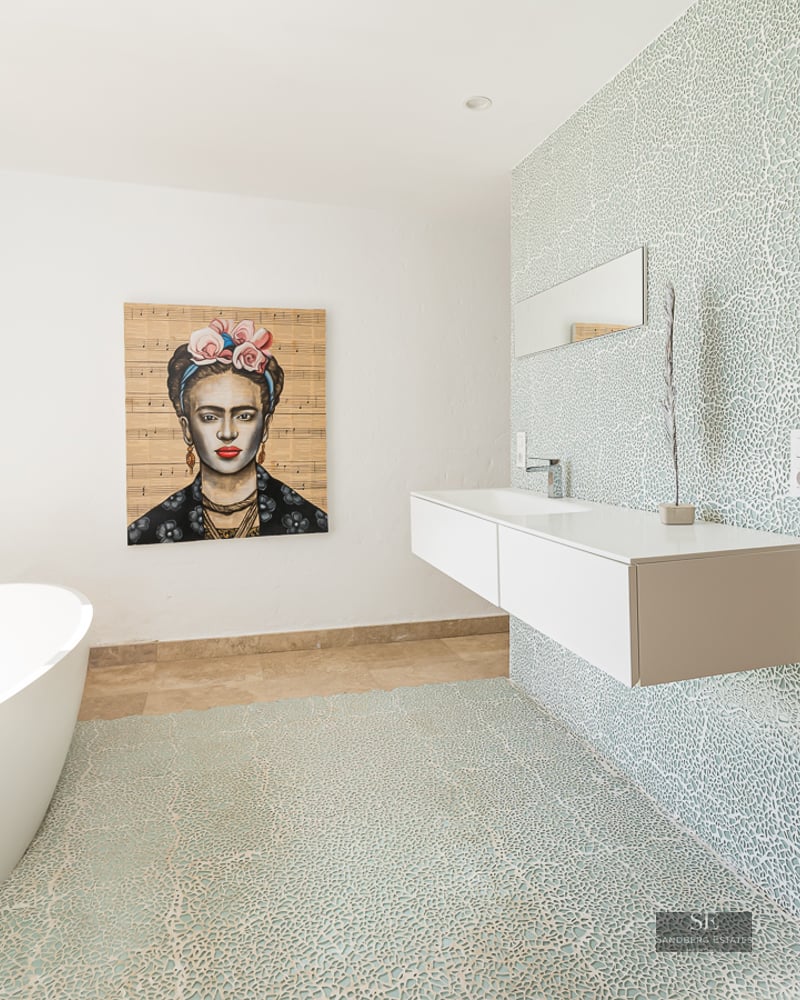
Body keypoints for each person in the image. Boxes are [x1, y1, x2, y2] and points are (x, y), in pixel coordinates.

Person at [127, 318, 328, 544]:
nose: (227, 433)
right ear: (187, 428)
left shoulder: (310, 520)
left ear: (266, 425)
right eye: (210, 417)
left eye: (244, 416)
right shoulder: (148, 530)